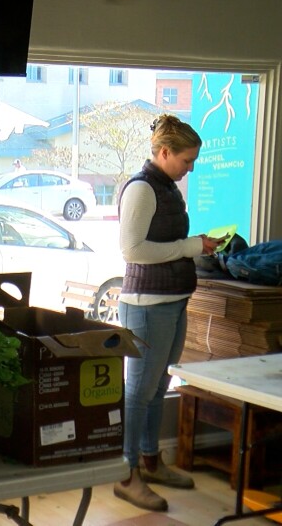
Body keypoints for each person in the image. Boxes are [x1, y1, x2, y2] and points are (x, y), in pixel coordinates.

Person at [113, 114, 227, 512]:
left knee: (159, 386)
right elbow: (133, 251)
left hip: (172, 301)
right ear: (164, 152)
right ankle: (127, 476)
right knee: (139, 392)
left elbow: (167, 241)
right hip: (145, 307)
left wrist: (194, 245)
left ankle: (150, 460)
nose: (190, 168)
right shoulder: (143, 189)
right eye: (187, 160)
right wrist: (190, 247)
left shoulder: (166, 187)